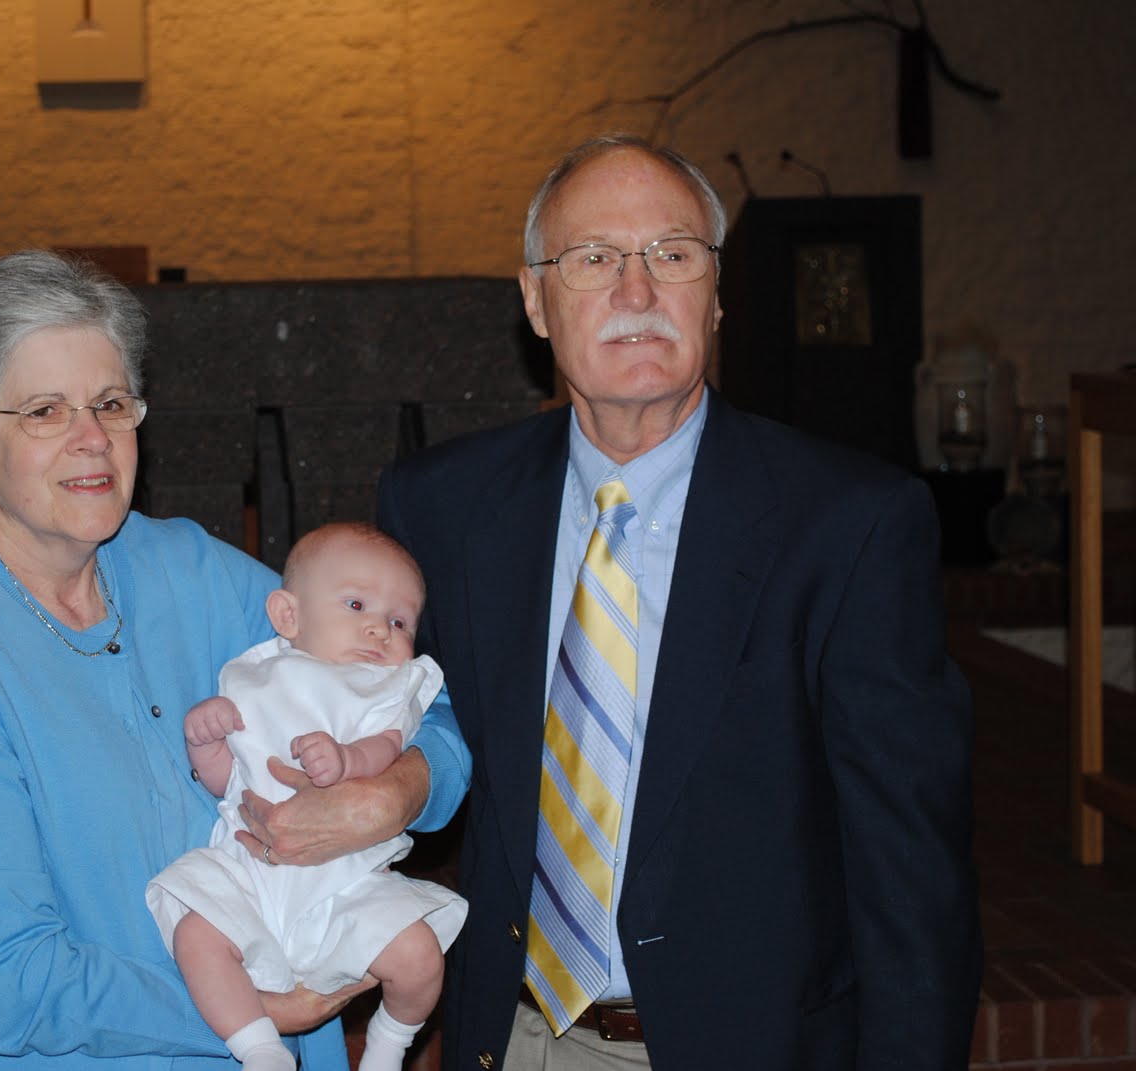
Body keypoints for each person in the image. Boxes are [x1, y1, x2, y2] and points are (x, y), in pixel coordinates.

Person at [375, 134, 981, 1070]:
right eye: (594, 258)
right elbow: (412, 739)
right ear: (535, 300)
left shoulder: (850, 524)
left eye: (673, 253)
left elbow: (913, 877)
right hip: (517, 1039)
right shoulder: (440, 508)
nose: (637, 290)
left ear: (717, 292)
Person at [0, 250, 470, 1071]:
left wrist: (396, 790)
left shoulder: (186, 569)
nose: (92, 439)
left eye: (110, 403)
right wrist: (252, 1012)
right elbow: (9, 978)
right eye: (44, 410)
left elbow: (414, 692)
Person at [147, 522, 468, 1071]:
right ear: (288, 616)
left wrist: (347, 760)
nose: (379, 629)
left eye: (399, 621)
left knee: (420, 955)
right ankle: (259, 1048)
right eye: (356, 605)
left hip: (348, 884)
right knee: (195, 935)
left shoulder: (388, 689)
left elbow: (388, 748)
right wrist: (206, 742)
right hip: (247, 872)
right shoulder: (255, 677)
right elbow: (230, 784)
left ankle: (389, 1044)